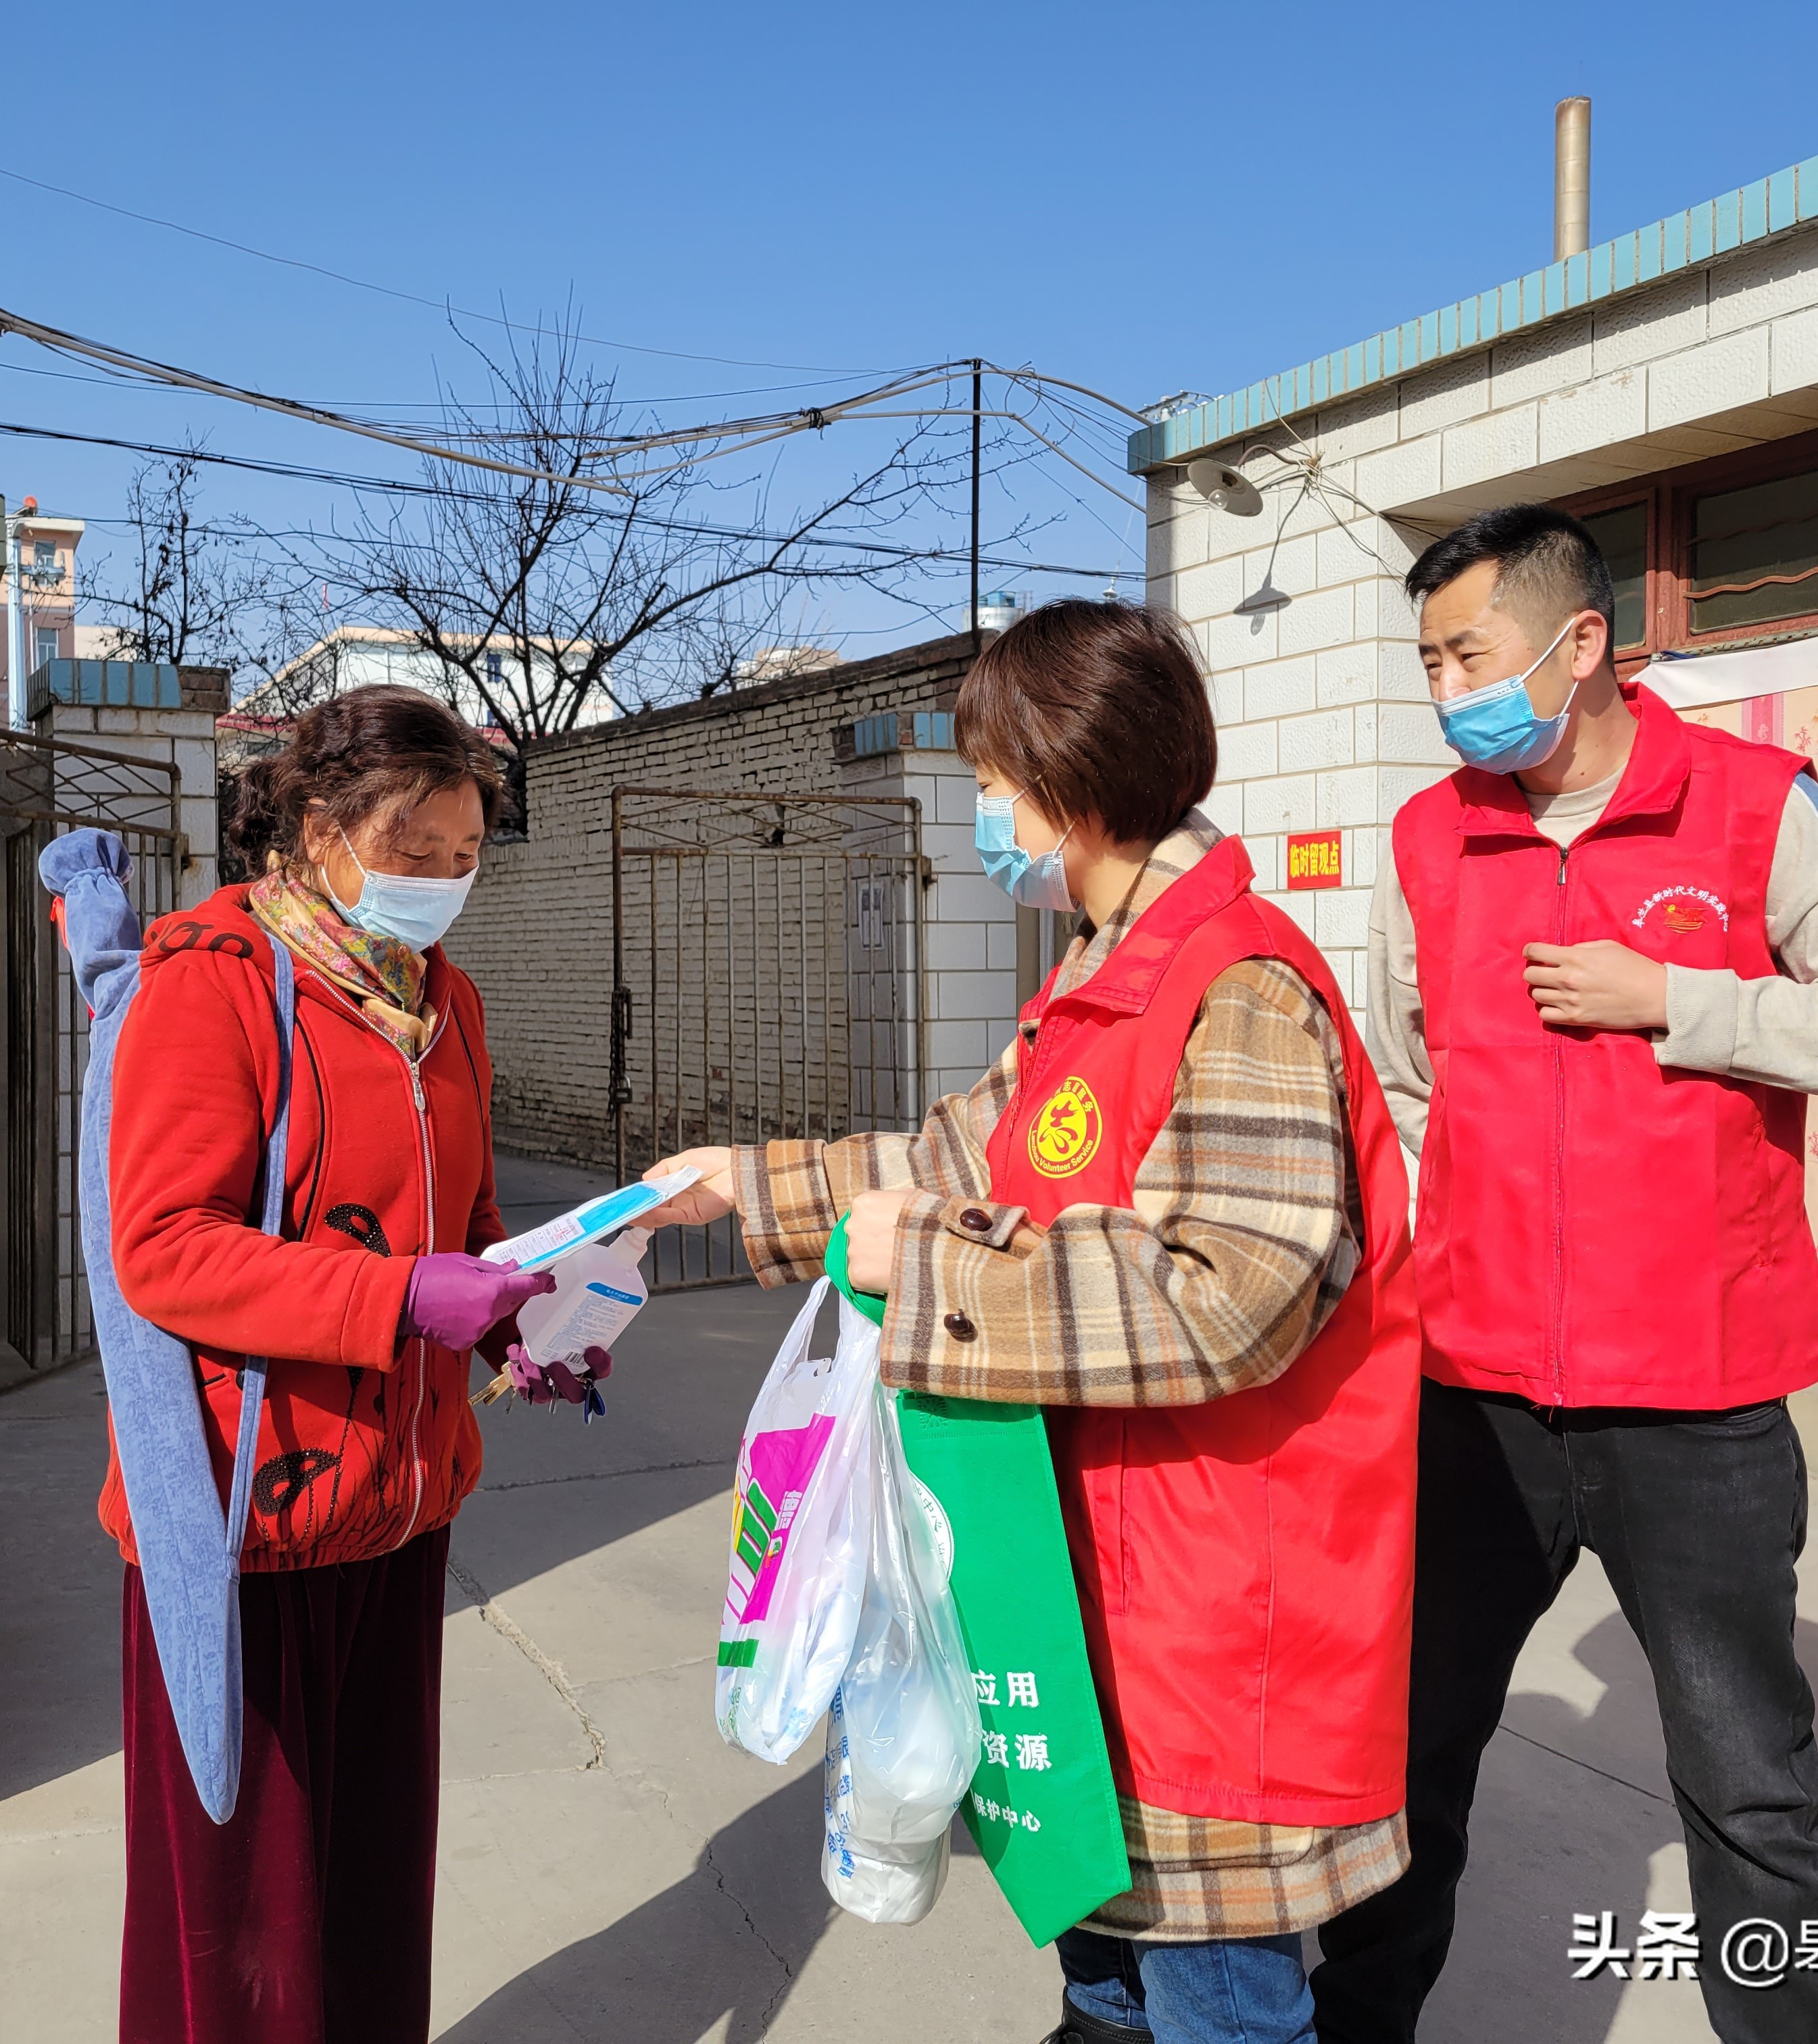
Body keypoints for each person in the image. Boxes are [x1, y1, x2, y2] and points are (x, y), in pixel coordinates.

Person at [642, 600, 1421, 2044]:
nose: (987, 814)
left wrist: (937, 1270)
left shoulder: (1239, 987)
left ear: (1069, 785)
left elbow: (1231, 1294)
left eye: (994, 783)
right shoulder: (1097, 975)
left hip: (1207, 1596)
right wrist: (731, 1186)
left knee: (1214, 1998)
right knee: (1106, 1971)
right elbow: (952, 1163)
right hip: (1088, 1581)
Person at [1308, 505, 1818, 2044]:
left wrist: (1687, 999)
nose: (1448, 687)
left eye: (1467, 652)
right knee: (1408, 1763)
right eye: (1429, 660)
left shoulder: (1752, 808)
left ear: (1578, 641)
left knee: (1750, 1794)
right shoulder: (1429, 836)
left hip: (1699, 1408)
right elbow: (1410, 1087)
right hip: (1474, 1401)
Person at [94, 685, 597, 2044]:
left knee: (374, 1894)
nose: (442, 884)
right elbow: (165, 1251)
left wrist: (517, 1313)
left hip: (401, 1504)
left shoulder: (450, 1004)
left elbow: (472, 1221)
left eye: (465, 859)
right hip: (238, 1522)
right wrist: (397, 1299)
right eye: (414, 853)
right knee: (245, 1930)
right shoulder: (212, 983)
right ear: (320, 828)